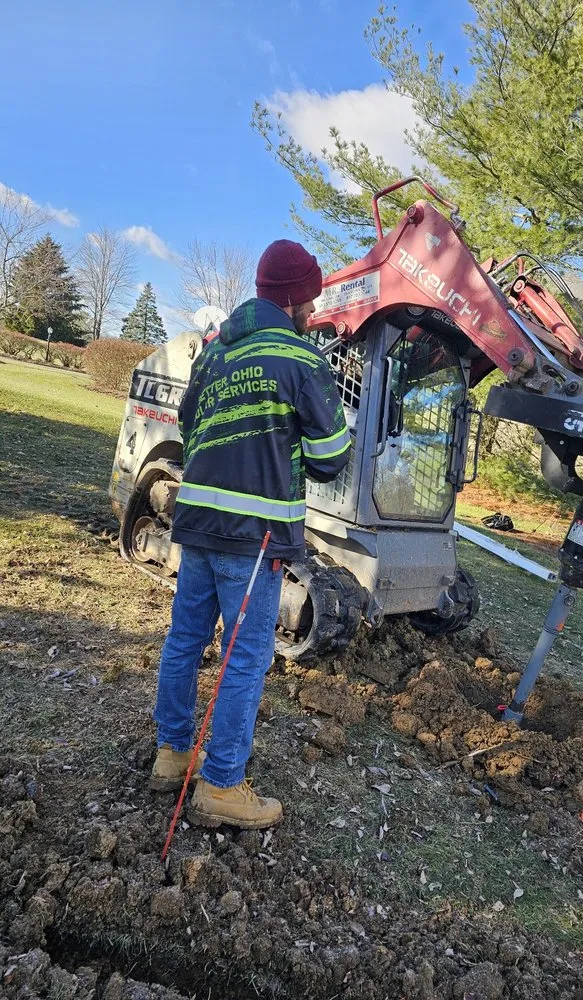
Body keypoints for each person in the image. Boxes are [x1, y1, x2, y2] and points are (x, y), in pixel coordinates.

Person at [149, 240, 351, 830]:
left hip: (197, 523)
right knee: (244, 658)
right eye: (310, 301)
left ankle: (172, 754)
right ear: (292, 300)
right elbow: (331, 458)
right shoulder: (300, 359)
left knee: (185, 641)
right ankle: (221, 786)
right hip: (256, 536)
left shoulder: (215, 353)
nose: (314, 313)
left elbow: (189, 423)